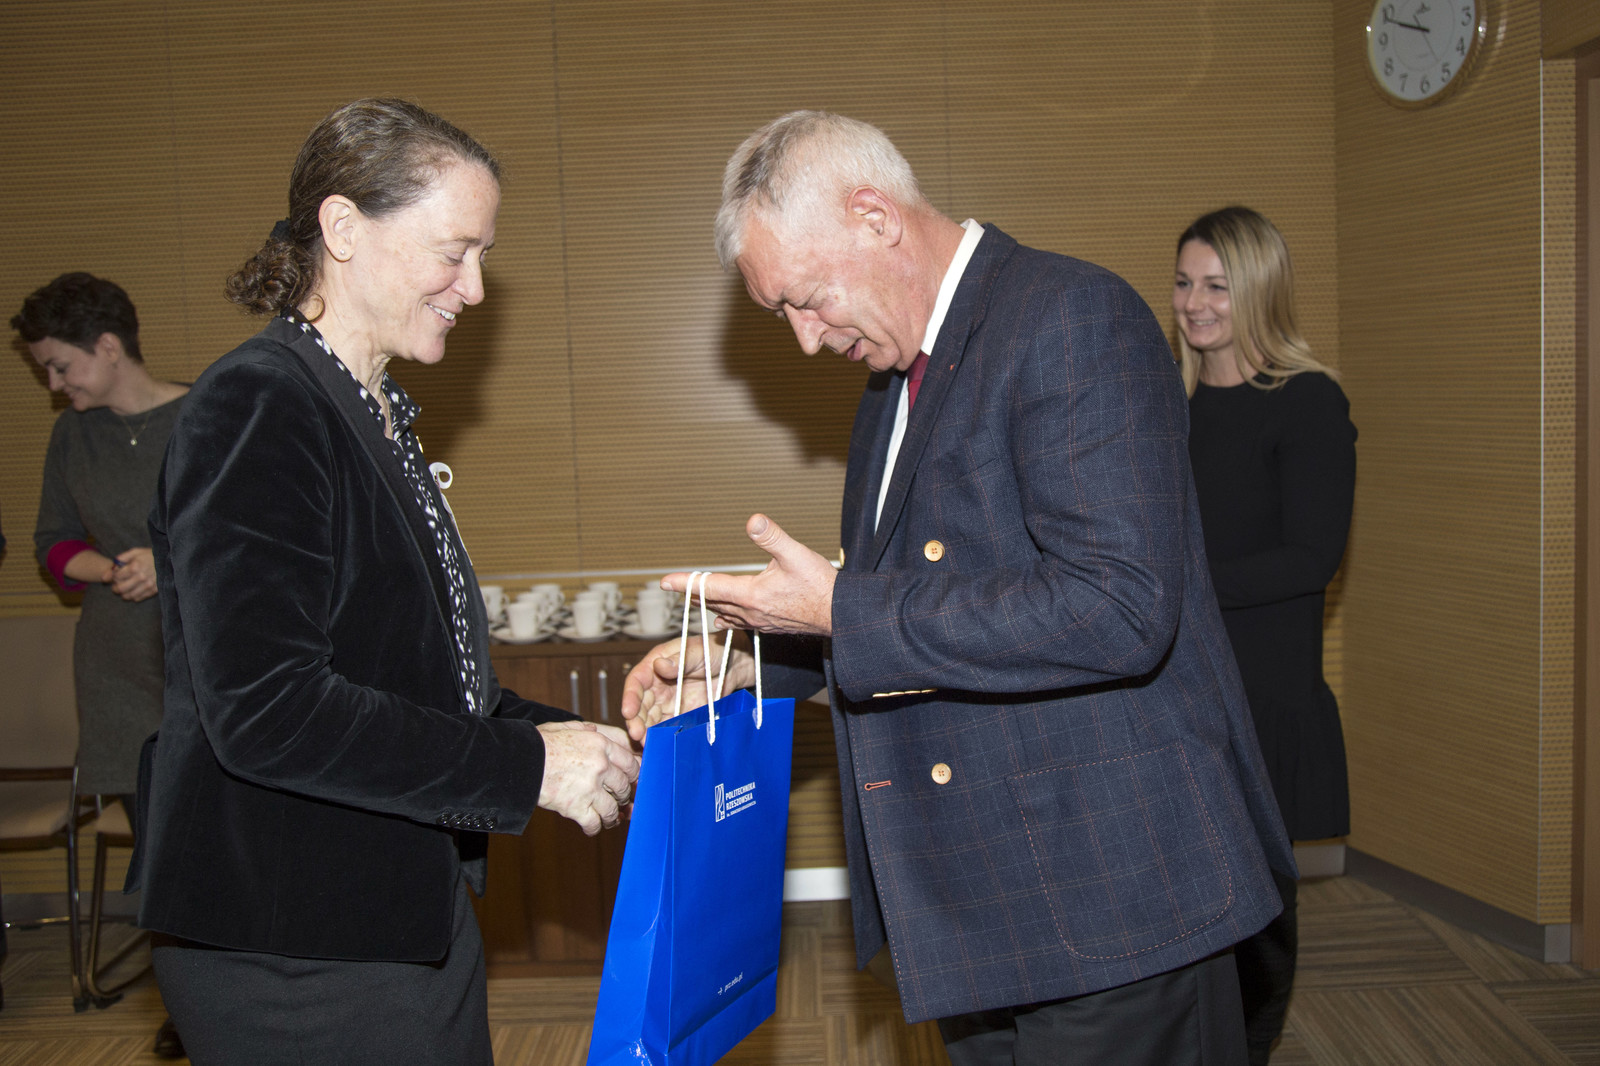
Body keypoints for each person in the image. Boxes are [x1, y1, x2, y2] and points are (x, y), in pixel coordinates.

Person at [622, 111, 1295, 1065]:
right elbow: (935, 595)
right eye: (783, 315)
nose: (806, 340)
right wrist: (752, 665)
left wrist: (840, 609)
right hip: (984, 908)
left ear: (875, 217)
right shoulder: (892, 383)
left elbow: (1116, 607)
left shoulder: (1070, 315)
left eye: (807, 300)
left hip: (1113, 907)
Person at [127, 99, 638, 1065]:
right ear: (344, 228)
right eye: (455, 252)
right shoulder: (260, 403)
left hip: (388, 910)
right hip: (293, 939)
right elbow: (270, 711)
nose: (474, 288)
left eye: (482, 256)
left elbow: (411, 681)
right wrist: (525, 768)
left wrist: (584, 738)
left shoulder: (371, 410)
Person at [1173, 206, 1356, 1065]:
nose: (1195, 303)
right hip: (1181, 688)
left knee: (1258, 914)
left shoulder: (1309, 402)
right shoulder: (1171, 409)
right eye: (1184, 283)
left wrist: (1176, 587)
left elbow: (1311, 557)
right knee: (1186, 899)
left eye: (1218, 286)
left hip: (1262, 694)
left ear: (1260, 292)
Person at [14, 271, 189, 1058]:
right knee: (157, 849)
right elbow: (50, 544)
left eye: (61, 366)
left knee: (211, 840)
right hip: (117, 667)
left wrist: (165, 556)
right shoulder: (72, 437)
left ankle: (238, 990)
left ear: (109, 346)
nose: (55, 385)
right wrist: (112, 566)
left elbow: (251, 528)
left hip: (199, 659)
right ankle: (183, 1005)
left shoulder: (207, 413)